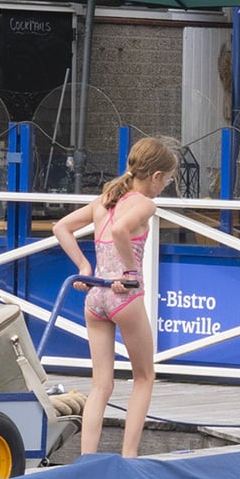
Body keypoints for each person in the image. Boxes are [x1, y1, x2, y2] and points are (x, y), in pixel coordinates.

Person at [54, 135, 177, 461]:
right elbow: (122, 231)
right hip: (123, 296)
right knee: (144, 377)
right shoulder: (145, 204)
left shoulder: (105, 198)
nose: (165, 186)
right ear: (155, 176)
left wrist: (84, 265)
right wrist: (131, 272)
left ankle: (87, 459)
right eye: (167, 179)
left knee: (100, 385)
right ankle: (129, 457)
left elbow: (61, 227)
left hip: (95, 295)